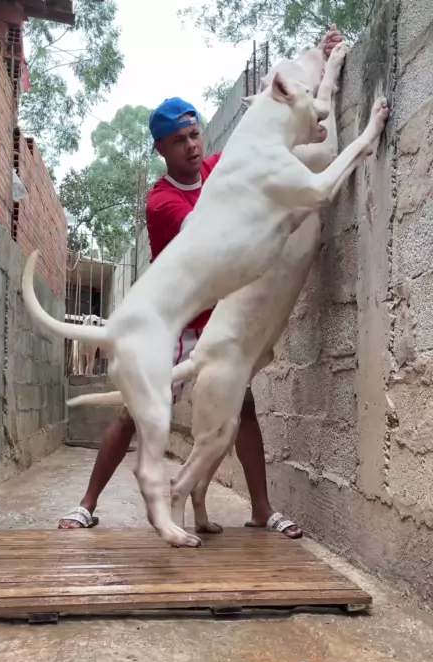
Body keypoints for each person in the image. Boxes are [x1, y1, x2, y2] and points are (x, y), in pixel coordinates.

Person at [58, 24, 343, 536]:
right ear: (161, 149)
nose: (192, 146)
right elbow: (213, 235)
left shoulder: (219, 168)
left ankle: (261, 509)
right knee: (131, 415)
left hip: (224, 317)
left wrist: (322, 62)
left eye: (194, 135)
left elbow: (280, 120)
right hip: (182, 322)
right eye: (179, 141)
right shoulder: (162, 201)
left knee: (244, 408)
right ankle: (87, 503)